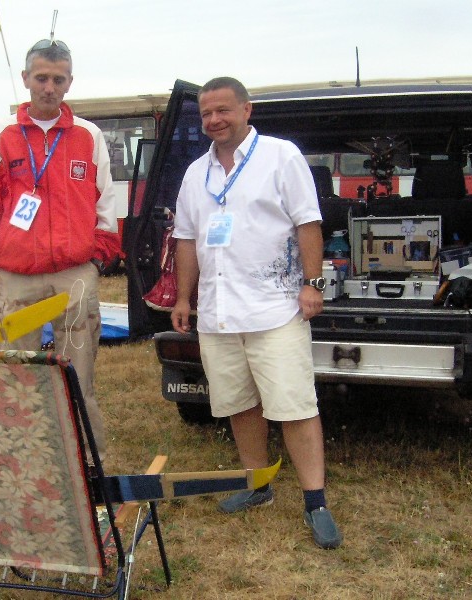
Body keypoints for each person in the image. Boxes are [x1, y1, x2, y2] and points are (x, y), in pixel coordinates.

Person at [169, 76, 343, 549]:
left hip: (275, 309)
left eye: (223, 110)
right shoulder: (195, 173)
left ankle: (315, 502)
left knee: (295, 406)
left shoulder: (281, 156)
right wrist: (184, 298)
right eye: (206, 113)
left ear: (247, 110)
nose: (214, 120)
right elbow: (186, 239)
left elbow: (308, 223)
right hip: (219, 313)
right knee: (239, 403)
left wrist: (312, 285)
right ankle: (257, 485)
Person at [0, 39, 120, 457]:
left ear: (70, 82)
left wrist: (97, 259)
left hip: (75, 274)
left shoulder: (89, 135)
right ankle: (21, 458)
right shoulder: (0, 135)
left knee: (78, 375)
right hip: (17, 276)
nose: (49, 87)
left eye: (58, 79)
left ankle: (87, 462)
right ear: (25, 79)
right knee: (16, 374)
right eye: (41, 78)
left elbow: (106, 201)